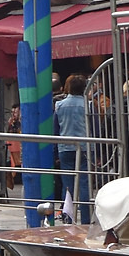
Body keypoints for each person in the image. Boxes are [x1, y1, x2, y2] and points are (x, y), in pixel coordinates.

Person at [52, 72, 92, 221]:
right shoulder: (88, 105)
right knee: (84, 184)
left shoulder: (59, 105)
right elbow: (94, 128)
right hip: (85, 148)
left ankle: (68, 217)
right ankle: (86, 219)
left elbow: (56, 130)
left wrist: (55, 152)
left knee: (67, 186)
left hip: (65, 148)